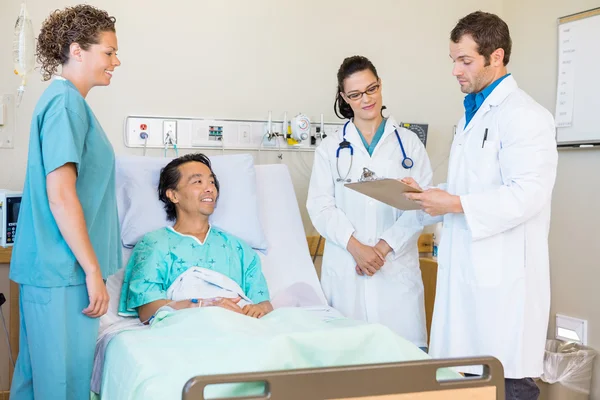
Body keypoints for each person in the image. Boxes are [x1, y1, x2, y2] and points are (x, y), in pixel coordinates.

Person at [403, 11, 558, 400]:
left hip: (503, 288)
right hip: (469, 279)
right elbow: (470, 187)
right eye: (453, 60)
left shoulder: (526, 116)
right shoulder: (470, 116)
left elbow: (527, 195)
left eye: (465, 60)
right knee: (470, 382)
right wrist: (429, 193)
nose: (455, 70)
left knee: (507, 384)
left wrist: (453, 202)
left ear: (497, 57)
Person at [9, 5, 122, 399]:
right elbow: (60, 194)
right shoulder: (66, 104)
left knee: (38, 382)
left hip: (54, 270)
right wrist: (93, 270)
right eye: (108, 52)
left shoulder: (65, 103)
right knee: (63, 387)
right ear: (77, 50)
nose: (116, 61)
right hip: (65, 272)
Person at [306, 55, 433, 349]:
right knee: (348, 371)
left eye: (371, 89)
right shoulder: (329, 148)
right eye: (355, 94)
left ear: (380, 86)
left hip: (395, 273)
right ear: (344, 98)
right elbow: (321, 206)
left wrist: (382, 248)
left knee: (403, 372)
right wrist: (357, 248)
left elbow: (421, 207)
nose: (366, 99)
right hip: (347, 270)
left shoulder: (409, 144)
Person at [118, 153, 273, 323]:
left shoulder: (238, 248)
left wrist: (258, 309)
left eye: (212, 182)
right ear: (173, 195)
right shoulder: (154, 244)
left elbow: (263, 304)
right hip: (186, 331)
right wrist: (202, 305)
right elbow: (147, 310)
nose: (209, 188)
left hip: (239, 327)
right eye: (198, 182)